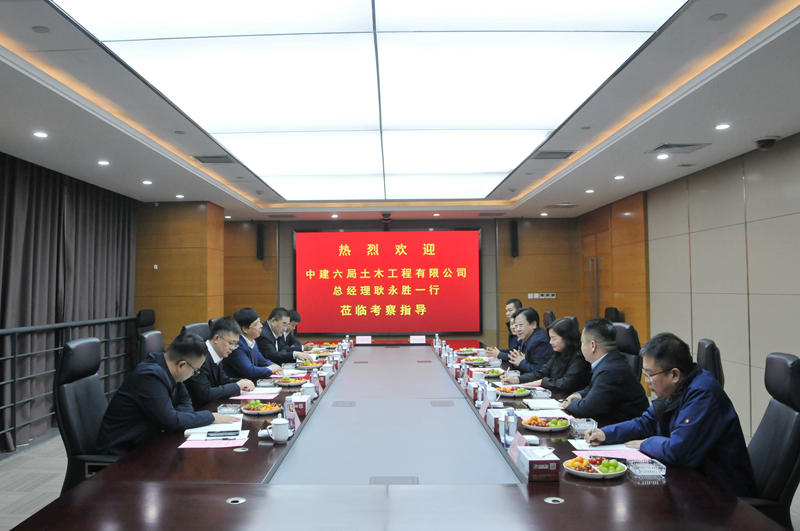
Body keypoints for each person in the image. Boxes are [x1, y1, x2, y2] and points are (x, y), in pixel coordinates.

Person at [585, 332, 756, 497]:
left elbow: (679, 451)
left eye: (650, 374)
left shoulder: (703, 394)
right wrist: (606, 433)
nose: (646, 381)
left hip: (723, 495)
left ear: (674, 374)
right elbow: (646, 422)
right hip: (693, 484)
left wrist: (646, 443)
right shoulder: (676, 389)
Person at [96, 332, 237, 456]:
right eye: (195, 371)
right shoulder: (150, 376)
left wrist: (175, 416)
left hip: (148, 444)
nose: (194, 374)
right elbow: (172, 421)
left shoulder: (170, 370)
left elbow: (186, 403)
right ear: (181, 365)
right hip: (123, 452)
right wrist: (210, 416)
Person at [560, 318, 649, 424]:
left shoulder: (611, 370)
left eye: (582, 342)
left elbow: (589, 408)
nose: (581, 347)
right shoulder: (611, 360)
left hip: (624, 429)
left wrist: (569, 404)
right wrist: (579, 395)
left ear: (593, 346)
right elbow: (595, 387)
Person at [501, 317, 591, 395]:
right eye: (550, 338)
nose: (550, 342)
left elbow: (566, 384)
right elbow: (542, 373)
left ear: (567, 338)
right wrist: (517, 379)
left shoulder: (579, 357)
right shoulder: (558, 352)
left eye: (554, 339)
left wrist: (542, 382)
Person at [184, 317, 255, 409]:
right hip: (198, 409)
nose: (233, 348)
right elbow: (205, 394)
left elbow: (223, 381)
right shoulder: (200, 358)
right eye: (231, 343)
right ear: (217, 338)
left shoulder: (216, 353)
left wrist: (243, 382)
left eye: (235, 344)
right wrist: (237, 386)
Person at [223, 308, 284, 381]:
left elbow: (262, 361)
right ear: (245, 329)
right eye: (256, 324)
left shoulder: (252, 341)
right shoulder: (237, 345)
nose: (261, 325)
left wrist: (275, 366)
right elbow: (249, 371)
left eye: (260, 322)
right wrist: (270, 369)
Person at [490, 308, 553, 373]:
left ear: (534, 324)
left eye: (520, 325)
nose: (518, 329)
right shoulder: (526, 337)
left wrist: (521, 362)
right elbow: (516, 354)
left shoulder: (540, 342)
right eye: (516, 326)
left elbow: (539, 371)